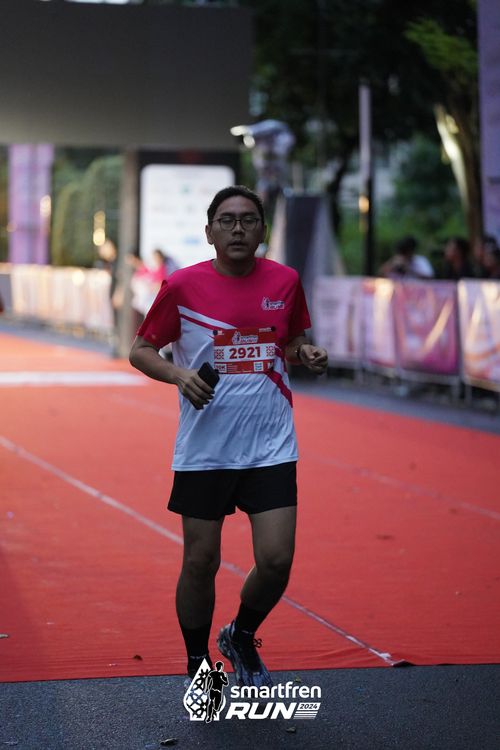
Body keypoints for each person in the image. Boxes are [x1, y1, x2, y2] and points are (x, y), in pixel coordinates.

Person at [129, 185, 328, 688]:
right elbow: (141, 350)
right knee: (201, 561)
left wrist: (304, 353)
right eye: (227, 220)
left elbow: (292, 339)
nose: (237, 229)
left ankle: (240, 634)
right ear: (209, 232)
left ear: (262, 230)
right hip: (206, 448)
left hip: (270, 444)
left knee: (276, 561)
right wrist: (178, 375)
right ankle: (199, 664)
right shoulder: (182, 286)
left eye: (247, 220)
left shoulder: (285, 281)